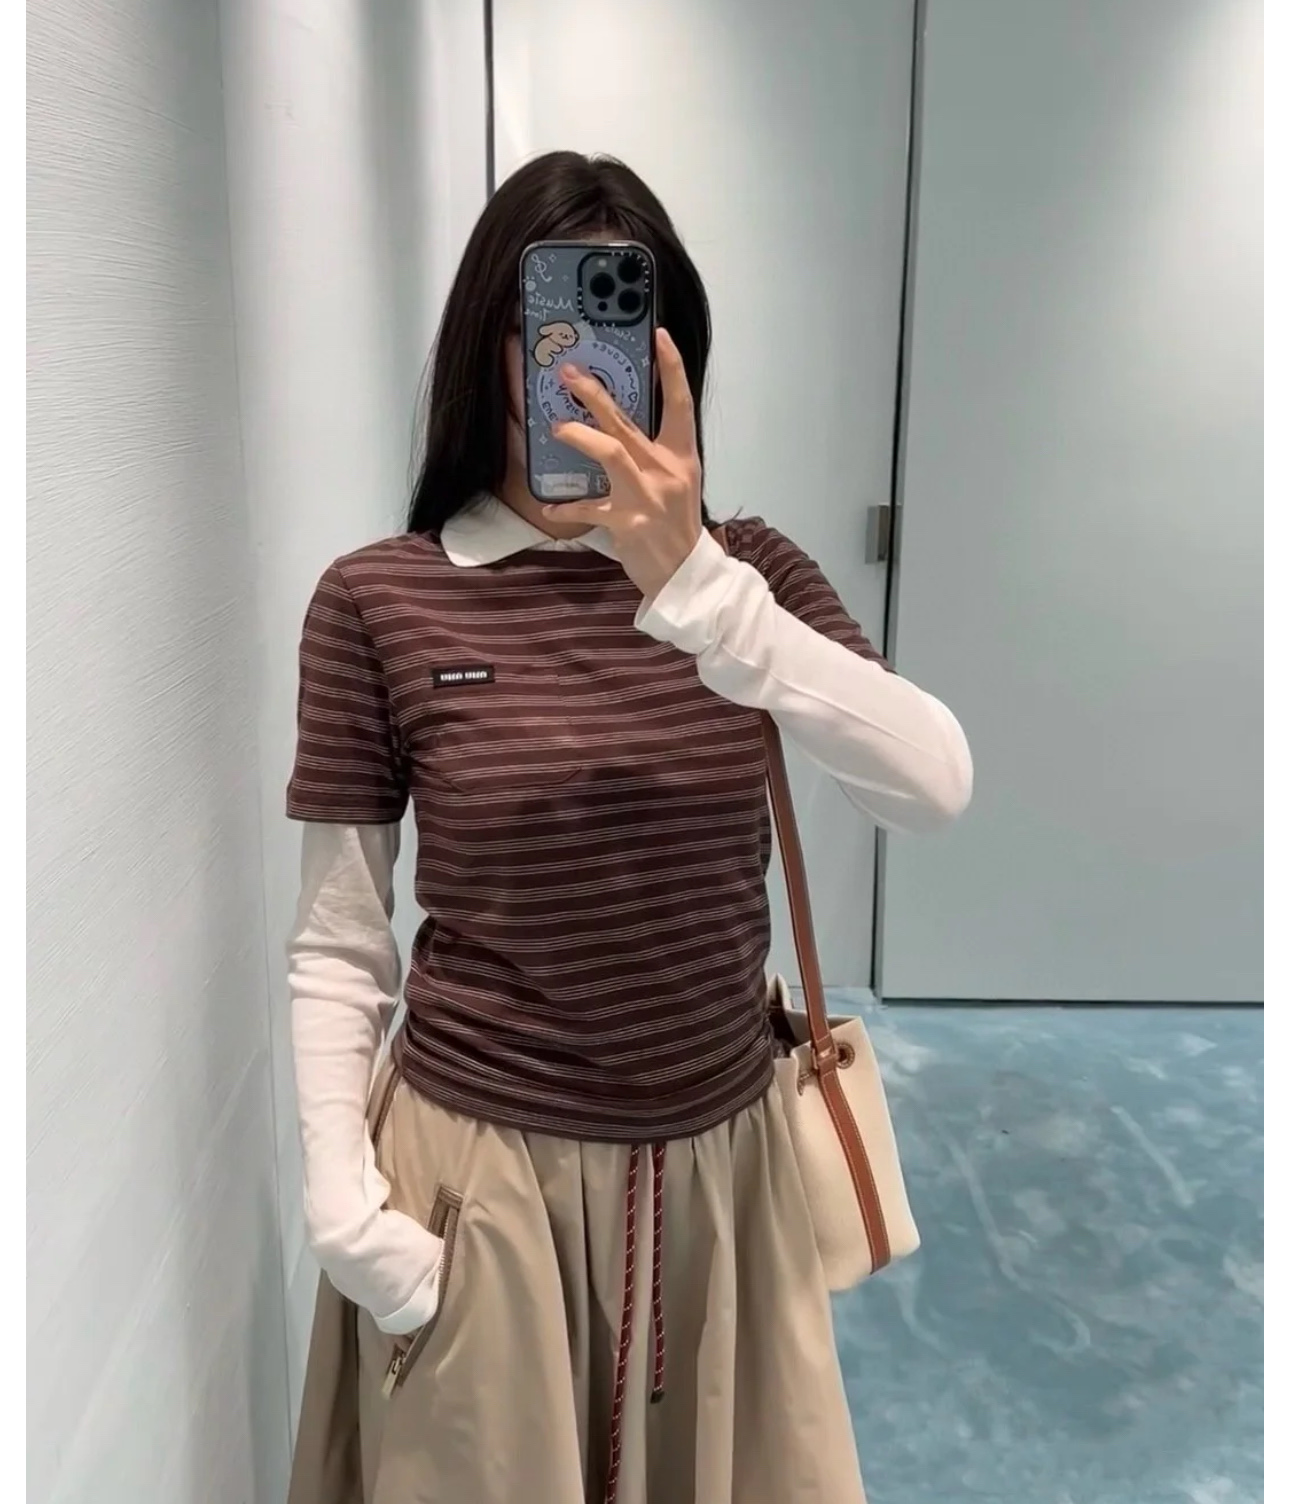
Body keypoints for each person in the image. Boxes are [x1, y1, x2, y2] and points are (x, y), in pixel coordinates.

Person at [284, 150, 972, 1504]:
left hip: (723, 1170)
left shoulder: (748, 580)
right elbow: (339, 942)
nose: (579, 372)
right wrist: (340, 1205)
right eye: (543, 331)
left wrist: (699, 589)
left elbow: (932, 783)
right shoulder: (381, 600)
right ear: (485, 353)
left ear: (674, 357)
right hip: (483, 1183)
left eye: (621, 328)